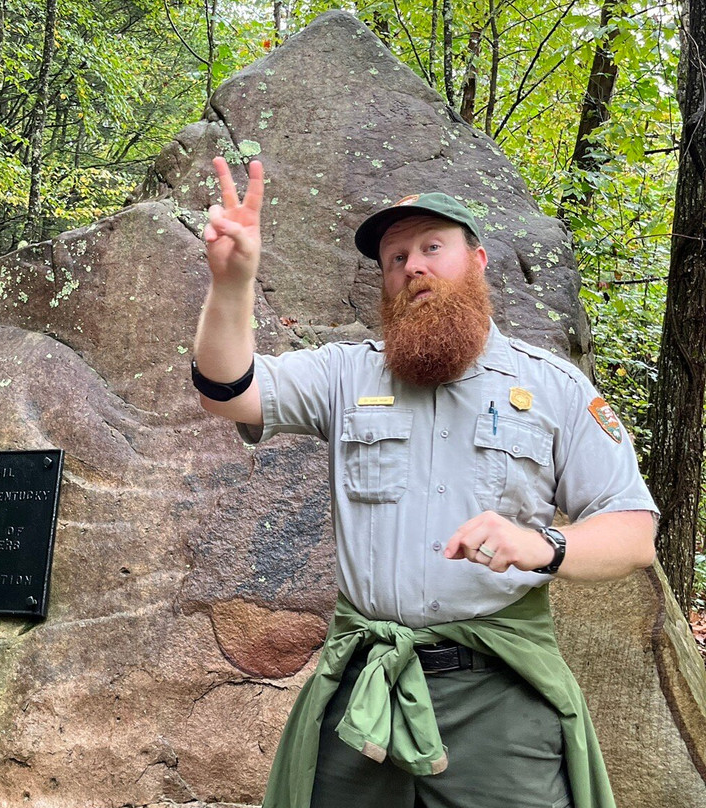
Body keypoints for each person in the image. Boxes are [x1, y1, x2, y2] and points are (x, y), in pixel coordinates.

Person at [192, 155, 658, 808]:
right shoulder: (345, 376)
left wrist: (544, 545)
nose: (412, 266)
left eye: (432, 247)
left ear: (478, 261)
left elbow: (635, 531)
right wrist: (233, 282)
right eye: (395, 258)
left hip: (499, 701)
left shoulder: (552, 389)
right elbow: (227, 390)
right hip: (365, 695)